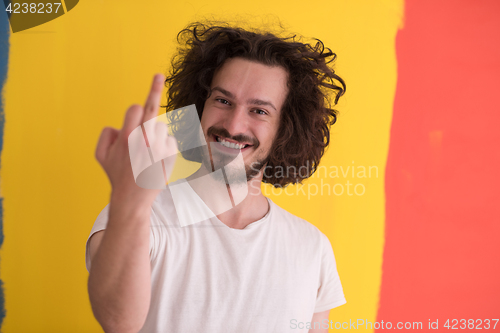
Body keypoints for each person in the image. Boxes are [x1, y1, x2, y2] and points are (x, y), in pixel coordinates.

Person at [86, 22, 347, 333]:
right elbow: (117, 322)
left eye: (259, 111)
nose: (234, 125)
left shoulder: (311, 246)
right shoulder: (139, 217)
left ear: (285, 130)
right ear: (198, 108)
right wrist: (130, 202)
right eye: (223, 101)